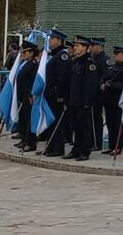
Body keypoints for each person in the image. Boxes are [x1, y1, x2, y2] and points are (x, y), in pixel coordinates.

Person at [65, 36, 100, 161]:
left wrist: (87, 102)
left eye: (78, 45)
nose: (74, 47)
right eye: (74, 45)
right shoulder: (75, 61)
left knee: (84, 127)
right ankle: (76, 149)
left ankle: (85, 151)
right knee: (75, 127)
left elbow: (91, 85)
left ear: (85, 47)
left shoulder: (89, 63)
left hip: (83, 102)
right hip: (74, 101)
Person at [41, 29, 72, 157]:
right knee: (50, 122)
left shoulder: (62, 55)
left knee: (57, 122)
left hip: (55, 95)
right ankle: (50, 146)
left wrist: (60, 95)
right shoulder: (52, 54)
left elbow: (62, 77)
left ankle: (58, 148)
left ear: (59, 40)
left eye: (52, 39)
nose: (50, 40)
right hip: (49, 93)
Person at [100, 46, 123, 156]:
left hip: (118, 99)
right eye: (114, 53)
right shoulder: (112, 66)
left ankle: (117, 147)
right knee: (110, 123)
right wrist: (102, 83)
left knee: (117, 124)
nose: (115, 55)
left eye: (117, 54)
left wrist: (111, 85)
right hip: (108, 99)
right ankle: (111, 145)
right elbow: (104, 76)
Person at [15, 43, 39, 152]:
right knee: (23, 119)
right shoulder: (25, 63)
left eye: (25, 52)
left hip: (28, 95)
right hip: (22, 95)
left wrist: (30, 95)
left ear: (31, 53)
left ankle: (31, 142)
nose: (22, 54)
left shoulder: (33, 64)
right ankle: (24, 139)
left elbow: (33, 81)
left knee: (29, 119)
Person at [88, 37, 108, 152]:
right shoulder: (92, 58)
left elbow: (104, 76)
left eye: (94, 45)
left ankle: (97, 142)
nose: (91, 47)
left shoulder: (104, 59)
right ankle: (91, 141)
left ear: (100, 46)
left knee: (96, 118)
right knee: (89, 119)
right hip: (90, 93)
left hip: (97, 94)